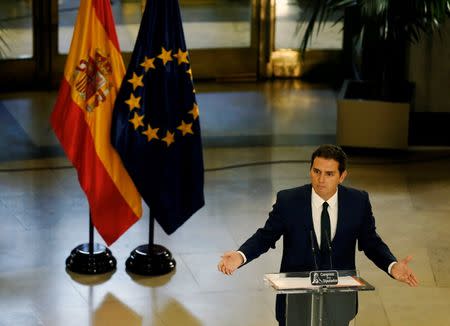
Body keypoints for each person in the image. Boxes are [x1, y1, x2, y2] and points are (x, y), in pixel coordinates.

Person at [217, 144, 418, 326]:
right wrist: (240, 256)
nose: (321, 179)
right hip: (295, 302)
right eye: (316, 171)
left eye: (329, 174)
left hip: (339, 302)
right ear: (310, 170)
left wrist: (392, 266)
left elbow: (371, 243)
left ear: (342, 176)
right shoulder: (289, 200)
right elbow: (265, 236)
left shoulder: (358, 201)